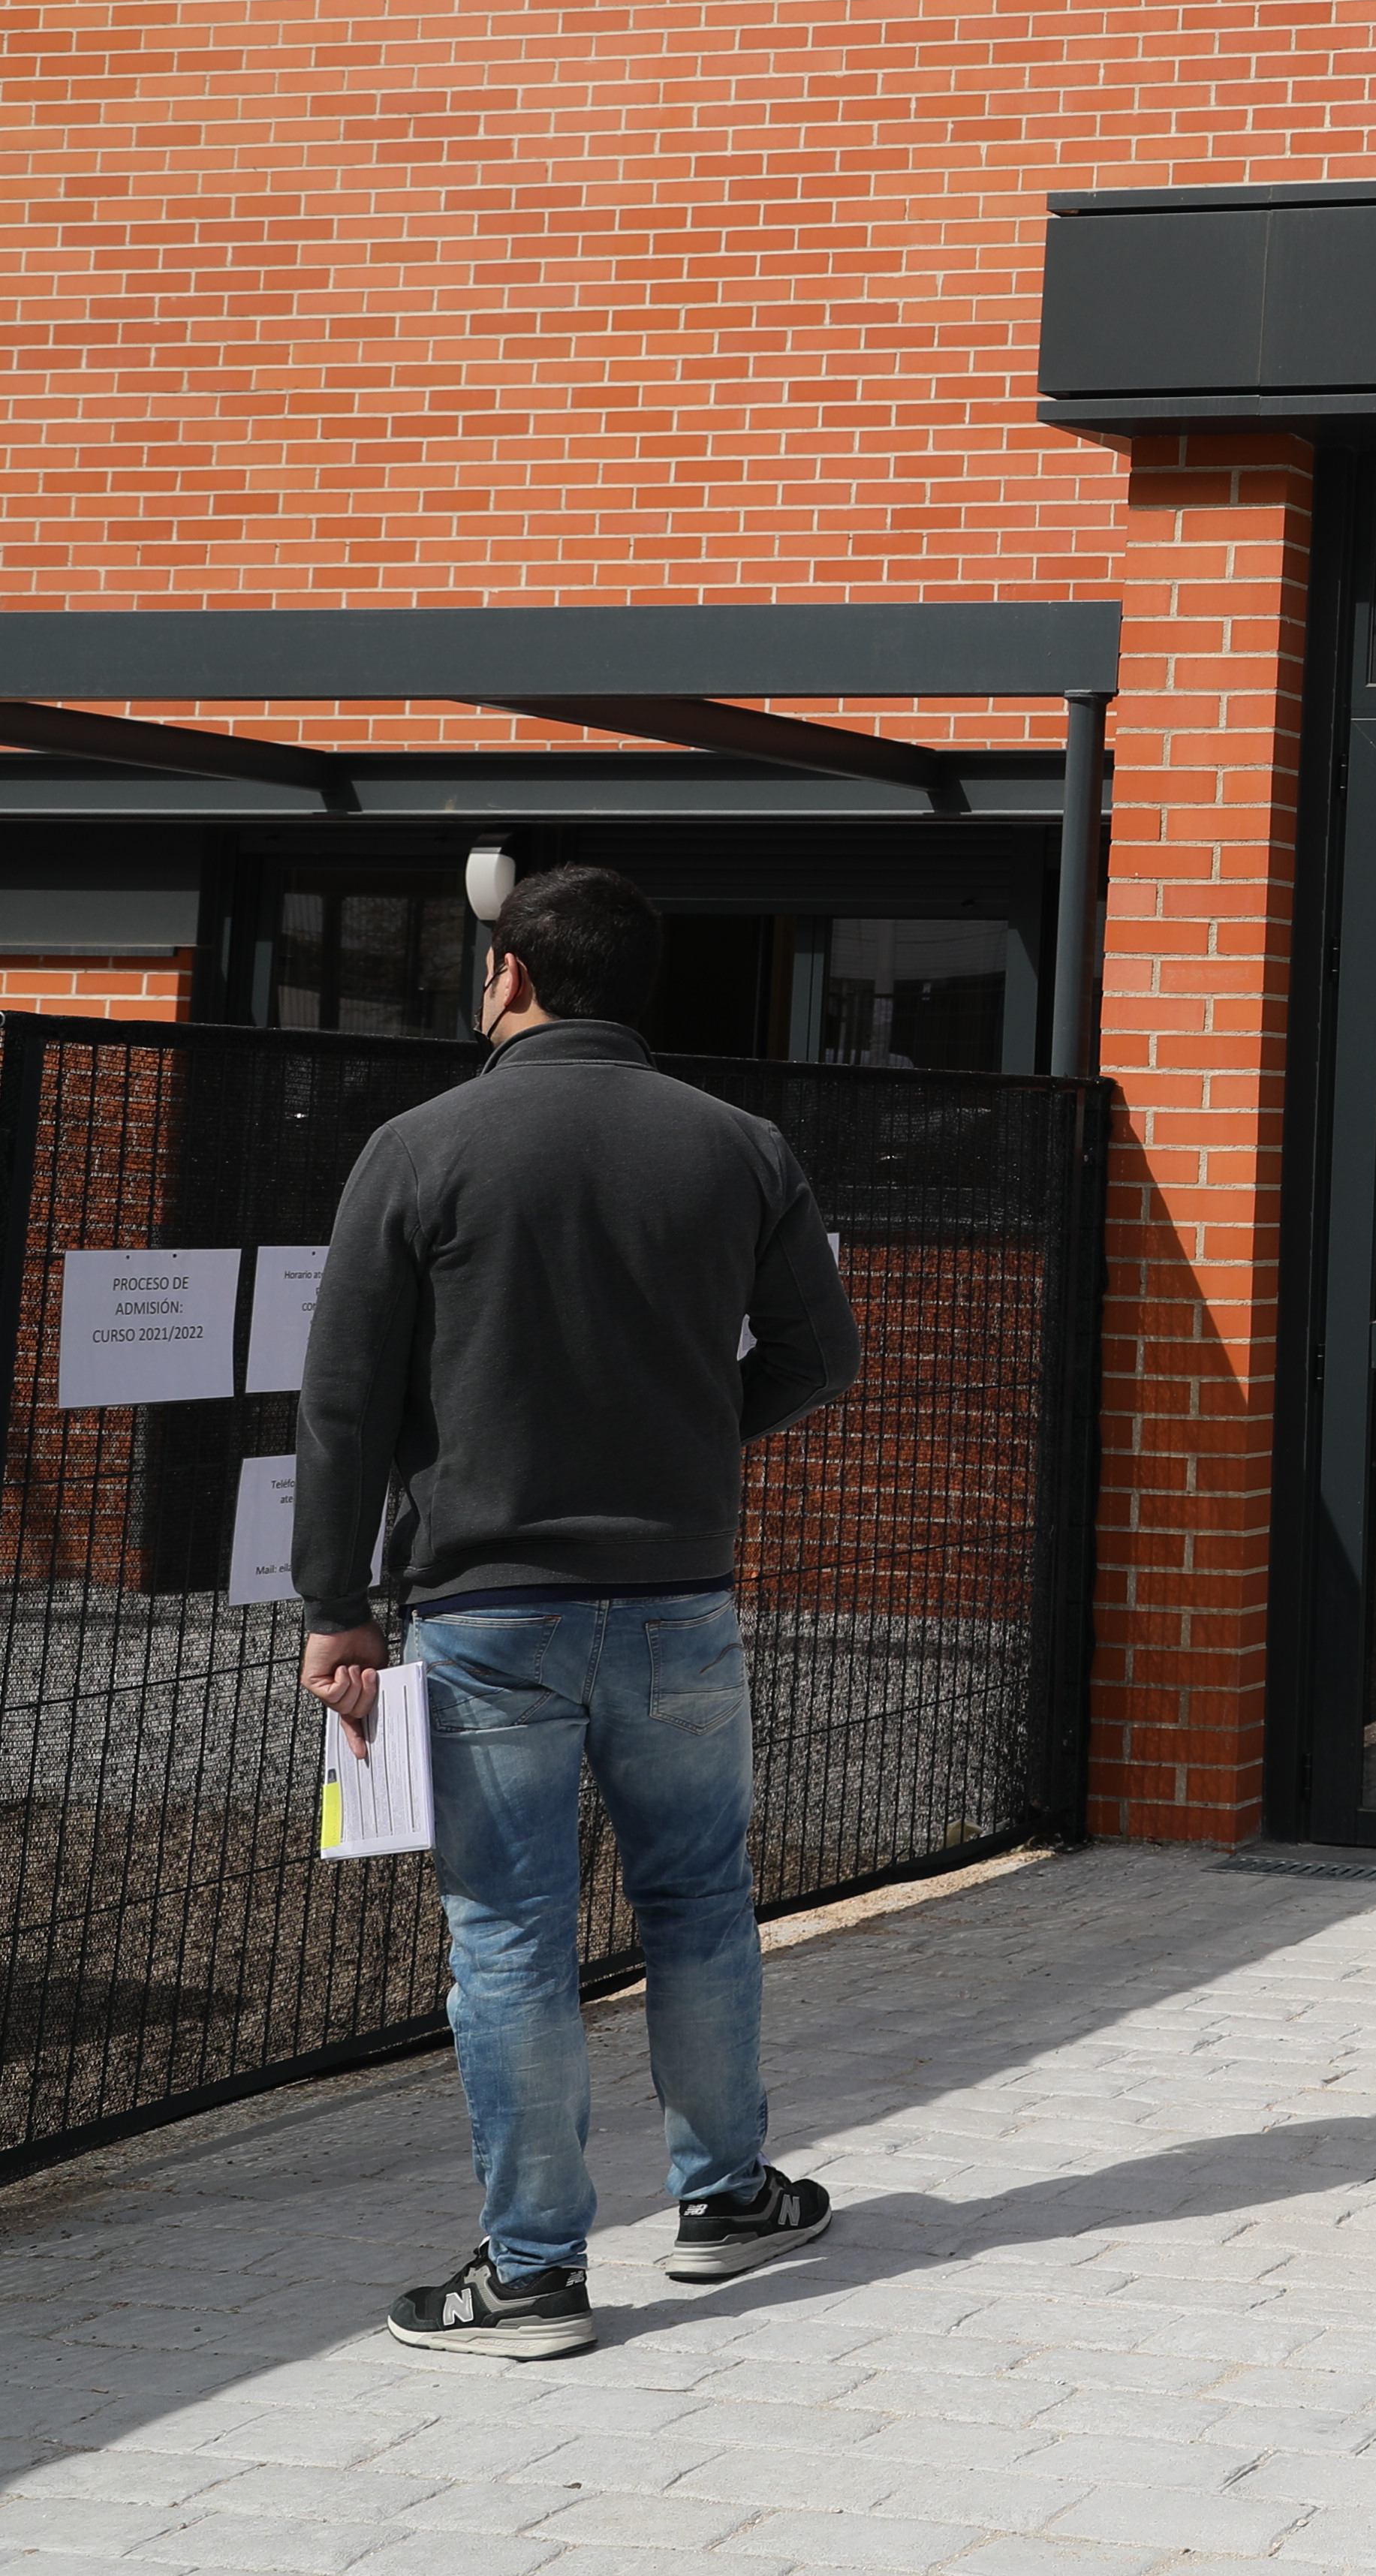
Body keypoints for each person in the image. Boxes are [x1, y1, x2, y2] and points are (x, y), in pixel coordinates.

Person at [294, 864, 863, 2361]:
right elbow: (821, 1350)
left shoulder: (419, 1147)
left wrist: (337, 1604)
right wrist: (689, 1437)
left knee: (510, 1934)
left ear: (512, 975)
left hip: (488, 1607)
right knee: (700, 1900)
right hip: (678, 1597)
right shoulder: (738, 1144)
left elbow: (345, 1401)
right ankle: (727, 2200)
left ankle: (536, 2275)